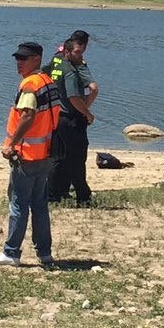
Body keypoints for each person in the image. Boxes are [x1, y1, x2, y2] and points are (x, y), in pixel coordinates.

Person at [0, 41, 63, 268]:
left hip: (27, 155)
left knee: (19, 204)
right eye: (17, 58)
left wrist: (11, 143)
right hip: (45, 153)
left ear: (37, 59)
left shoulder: (31, 85)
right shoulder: (48, 82)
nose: (19, 62)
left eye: (24, 58)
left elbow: (28, 115)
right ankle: (44, 253)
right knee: (39, 204)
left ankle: (11, 253)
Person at [48, 30, 97, 206]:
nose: (80, 54)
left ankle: (56, 193)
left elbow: (45, 74)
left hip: (57, 116)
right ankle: (81, 195)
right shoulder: (71, 70)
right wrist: (87, 113)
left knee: (60, 158)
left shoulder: (56, 60)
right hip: (70, 118)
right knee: (76, 158)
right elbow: (76, 96)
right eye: (77, 51)